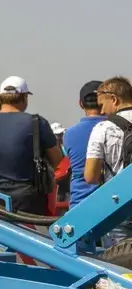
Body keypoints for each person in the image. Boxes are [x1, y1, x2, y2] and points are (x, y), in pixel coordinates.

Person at [0, 76, 61, 215]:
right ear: (24, 98)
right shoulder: (36, 122)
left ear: (1, 98)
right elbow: (56, 159)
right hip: (28, 200)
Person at [84, 77, 132, 244]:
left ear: (114, 99)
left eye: (102, 105)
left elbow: (90, 177)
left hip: (120, 206)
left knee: (120, 261)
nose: (102, 112)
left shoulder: (103, 128)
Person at [64, 81, 105, 209]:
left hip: (79, 204)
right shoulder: (117, 129)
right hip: (111, 204)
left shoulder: (69, 134)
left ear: (81, 104)